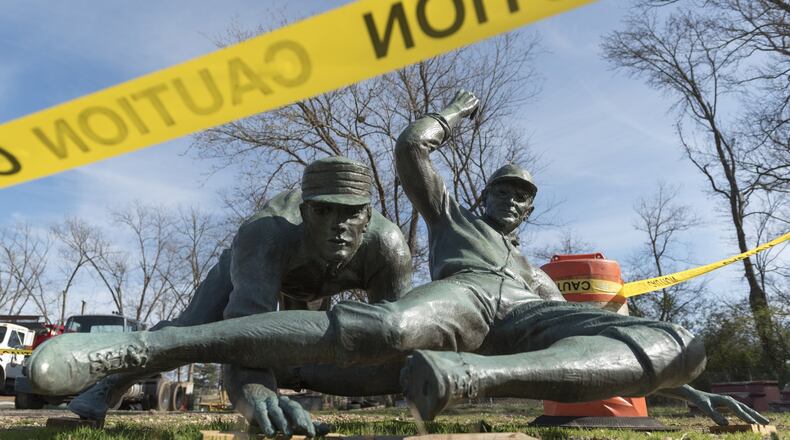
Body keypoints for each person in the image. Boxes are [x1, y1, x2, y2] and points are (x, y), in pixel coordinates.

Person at [28, 91, 767, 433]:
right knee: (228, 321)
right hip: (460, 300)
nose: (513, 201)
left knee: (679, 341)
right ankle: (124, 362)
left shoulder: (497, 264)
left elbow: (614, 347)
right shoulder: (449, 223)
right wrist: (254, 396)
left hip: (512, 330)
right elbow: (412, 148)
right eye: (504, 189)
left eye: (524, 196)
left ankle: (470, 381)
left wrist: (683, 390)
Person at [66, 156, 413, 432]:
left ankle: (289, 374)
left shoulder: (387, 248)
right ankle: (108, 384)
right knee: (192, 327)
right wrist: (255, 390)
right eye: (324, 211)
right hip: (264, 272)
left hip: (314, 286)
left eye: (351, 212)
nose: (338, 226)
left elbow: (394, 343)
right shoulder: (264, 237)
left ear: (367, 216)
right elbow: (241, 335)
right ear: (306, 213)